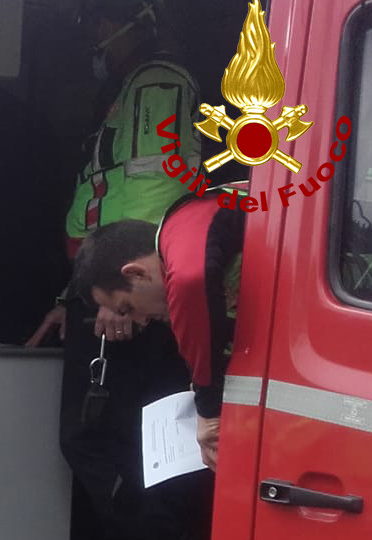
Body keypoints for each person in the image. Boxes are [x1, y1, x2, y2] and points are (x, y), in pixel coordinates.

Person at [22, 0, 209, 540]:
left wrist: (122, 298)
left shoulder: (157, 82)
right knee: (103, 439)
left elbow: (154, 190)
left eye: (101, 19)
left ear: (133, 19)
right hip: (109, 287)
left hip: (137, 294)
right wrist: (78, 293)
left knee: (136, 439)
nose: (95, 34)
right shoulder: (128, 89)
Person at [74, 197, 246, 474]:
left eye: (127, 308)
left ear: (136, 274)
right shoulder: (203, 249)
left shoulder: (185, 233)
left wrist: (209, 414)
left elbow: (189, 283)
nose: (141, 320)